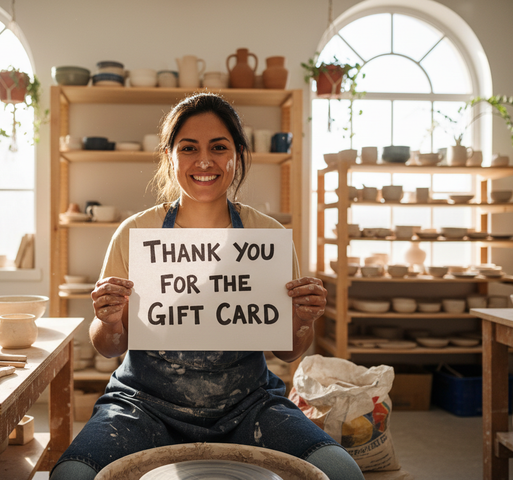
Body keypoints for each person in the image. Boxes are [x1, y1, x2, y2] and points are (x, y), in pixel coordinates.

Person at [51, 92, 363, 479]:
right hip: (143, 403)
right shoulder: (137, 233)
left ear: (238, 154)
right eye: (188, 148)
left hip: (248, 403)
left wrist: (300, 320)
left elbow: (288, 350)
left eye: (219, 147)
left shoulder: (266, 235)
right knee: (71, 476)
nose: (204, 161)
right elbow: (107, 347)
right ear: (169, 156)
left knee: (342, 473)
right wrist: (110, 320)